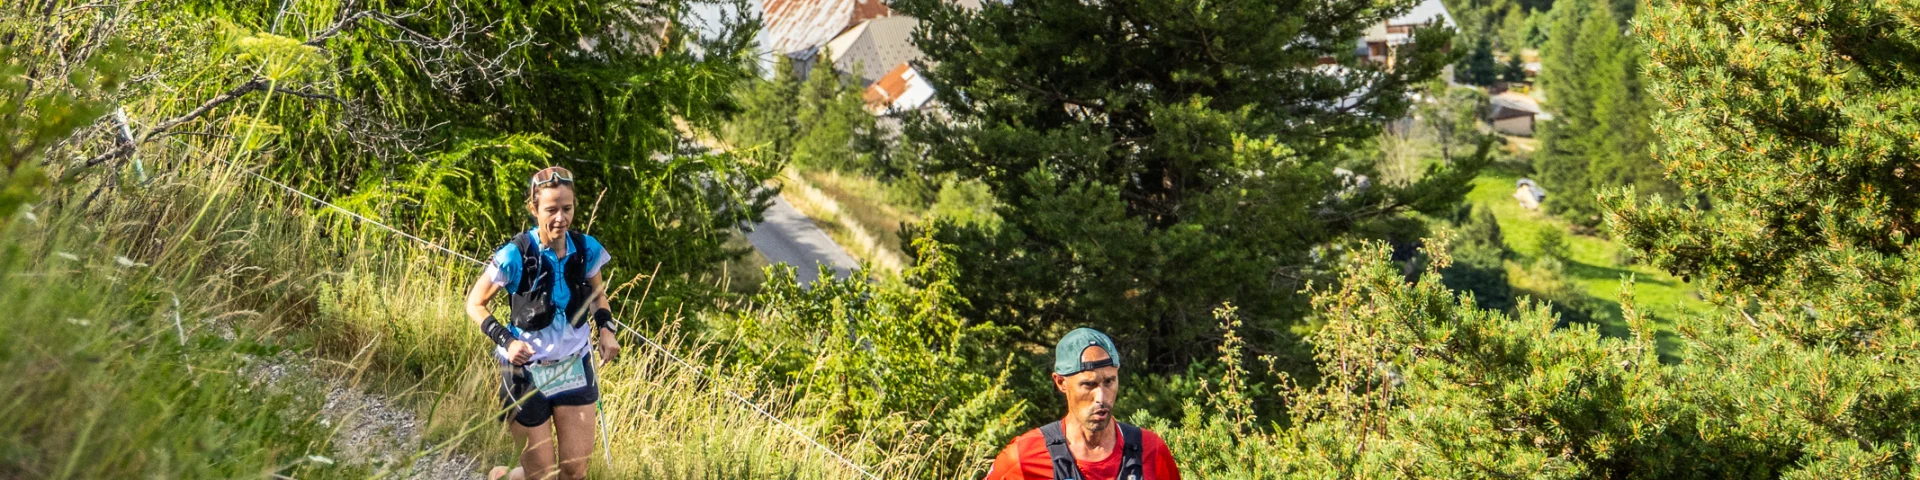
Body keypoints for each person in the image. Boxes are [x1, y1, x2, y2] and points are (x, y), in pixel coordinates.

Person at [466, 166, 622, 480]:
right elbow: (474, 303)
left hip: (573, 368)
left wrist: (606, 329)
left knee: (574, 470)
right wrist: (507, 342)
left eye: (568, 209)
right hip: (526, 374)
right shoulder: (515, 255)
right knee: (542, 475)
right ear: (534, 209)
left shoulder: (586, 248)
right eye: (551, 210)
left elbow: (597, 295)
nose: (561, 218)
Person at [986, 328, 1181, 480]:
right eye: (1089, 384)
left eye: (1109, 381)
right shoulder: (1024, 455)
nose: (1101, 397)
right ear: (1061, 383)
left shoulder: (1151, 450)